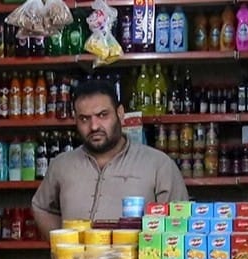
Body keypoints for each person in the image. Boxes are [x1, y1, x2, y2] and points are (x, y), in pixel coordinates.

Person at [32, 78, 189, 231]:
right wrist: (62, 244)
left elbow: (179, 221)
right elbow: (40, 207)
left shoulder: (158, 165)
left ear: (120, 113)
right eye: (84, 119)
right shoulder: (62, 165)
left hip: (139, 257)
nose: (93, 126)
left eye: (102, 115)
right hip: (75, 258)